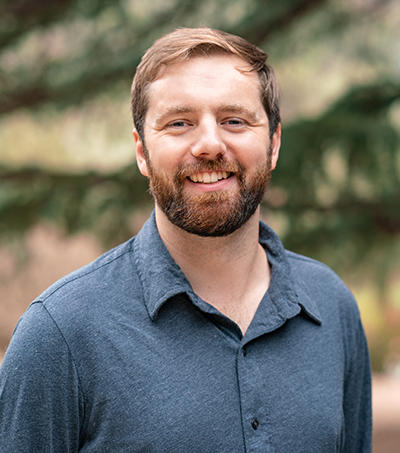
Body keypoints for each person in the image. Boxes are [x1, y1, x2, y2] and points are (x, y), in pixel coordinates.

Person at [0, 27, 372, 452]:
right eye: (179, 123)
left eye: (234, 120)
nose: (210, 145)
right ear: (141, 151)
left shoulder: (332, 306)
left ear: (273, 143)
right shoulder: (60, 334)